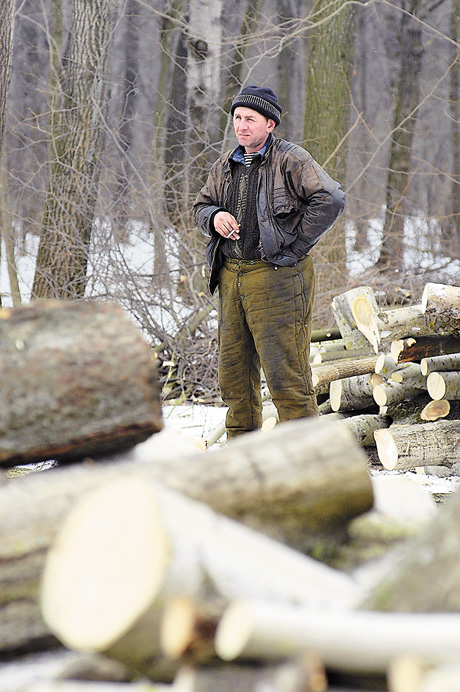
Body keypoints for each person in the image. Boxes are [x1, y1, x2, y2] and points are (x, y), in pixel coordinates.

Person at [193, 85, 345, 439]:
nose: (241, 126)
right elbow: (201, 205)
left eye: (250, 119)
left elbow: (331, 199)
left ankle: (305, 466)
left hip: (277, 278)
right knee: (234, 376)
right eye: (237, 118)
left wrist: (294, 246)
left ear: (270, 124)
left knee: (286, 376)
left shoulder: (291, 160)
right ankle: (243, 462)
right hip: (231, 277)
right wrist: (214, 216)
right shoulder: (226, 165)